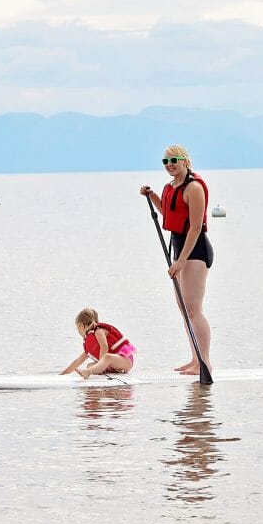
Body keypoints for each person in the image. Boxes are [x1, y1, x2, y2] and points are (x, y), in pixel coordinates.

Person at [140, 144, 213, 375]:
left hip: (195, 251)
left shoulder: (194, 188)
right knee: (184, 309)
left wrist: (181, 261)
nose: (170, 165)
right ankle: (195, 359)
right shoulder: (170, 186)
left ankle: (205, 362)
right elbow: (169, 214)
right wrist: (152, 196)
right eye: (166, 161)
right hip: (178, 247)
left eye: (174, 160)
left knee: (194, 309)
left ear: (185, 161)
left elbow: (194, 228)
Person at [60, 308, 136, 379]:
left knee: (107, 357)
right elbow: (79, 360)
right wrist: (63, 374)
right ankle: (91, 370)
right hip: (114, 365)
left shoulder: (98, 331)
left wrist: (100, 365)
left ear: (81, 325)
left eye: (77, 328)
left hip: (125, 360)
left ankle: (88, 372)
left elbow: (104, 346)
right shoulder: (89, 340)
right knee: (89, 365)